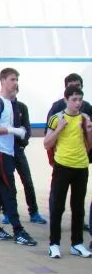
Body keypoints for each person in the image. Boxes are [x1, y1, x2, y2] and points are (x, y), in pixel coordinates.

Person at [0, 68, 38, 246]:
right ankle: (18, 230)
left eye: (17, 80)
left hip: (7, 153)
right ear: (3, 81)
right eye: (12, 79)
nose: (15, 83)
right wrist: (12, 130)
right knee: (9, 190)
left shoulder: (10, 103)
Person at [44, 83, 92, 259]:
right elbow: (46, 143)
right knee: (58, 206)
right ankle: (54, 244)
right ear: (66, 100)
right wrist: (59, 129)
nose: (78, 103)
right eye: (74, 100)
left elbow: (89, 146)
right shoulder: (57, 118)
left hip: (81, 166)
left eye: (80, 99)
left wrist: (89, 132)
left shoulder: (85, 118)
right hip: (62, 166)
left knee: (78, 207)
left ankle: (77, 243)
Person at [0, 98, 47, 226]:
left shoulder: (22, 107)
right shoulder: (1, 105)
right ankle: (8, 213)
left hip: (18, 150)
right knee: (8, 182)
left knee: (27, 181)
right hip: (5, 150)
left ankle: (34, 212)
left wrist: (23, 143)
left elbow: (26, 128)